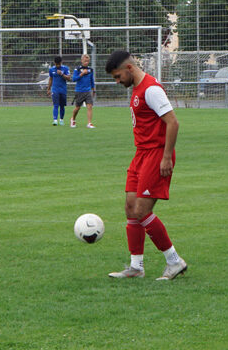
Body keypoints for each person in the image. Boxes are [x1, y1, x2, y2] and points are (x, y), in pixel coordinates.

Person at [104, 49, 188, 281]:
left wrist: (166, 156)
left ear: (129, 68)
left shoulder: (150, 89)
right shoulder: (138, 89)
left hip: (155, 154)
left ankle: (174, 261)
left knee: (142, 210)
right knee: (131, 208)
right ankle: (136, 267)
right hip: (141, 154)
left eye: (118, 76)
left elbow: (173, 122)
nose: (118, 81)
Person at [69, 54, 96, 129]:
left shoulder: (90, 70)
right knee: (77, 108)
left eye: (87, 61)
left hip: (88, 91)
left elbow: (91, 80)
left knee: (89, 106)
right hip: (79, 91)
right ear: (81, 61)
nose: (86, 62)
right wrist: (82, 74)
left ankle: (89, 123)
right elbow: (74, 79)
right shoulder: (77, 69)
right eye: (85, 61)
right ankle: (73, 119)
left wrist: (93, 89)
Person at [47, 56, 71, 126]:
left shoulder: (65, 68)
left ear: (61, 62)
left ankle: (61, 120)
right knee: (55, 105)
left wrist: (62, 74)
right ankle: (55, 120)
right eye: (56, 64)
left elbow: (69, 78)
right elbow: (51, 79)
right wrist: (48, 88)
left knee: (62, 106)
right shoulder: (51, 69)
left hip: (63, 90)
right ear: (54, 63)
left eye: (59, 64)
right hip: (55, 90)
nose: (58, 65)